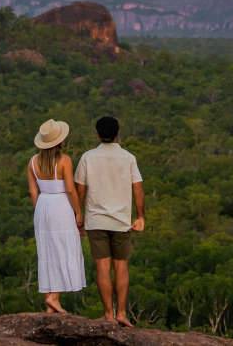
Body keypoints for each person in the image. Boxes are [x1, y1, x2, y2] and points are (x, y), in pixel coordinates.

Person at [75, 116, 145, 326]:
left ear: (97, 134)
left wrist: (78, 215)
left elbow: (80, 189)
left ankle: (108, 314)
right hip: (121, 221)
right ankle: (121, 313)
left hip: (96, 220)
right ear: (117, 133)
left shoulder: (88, 157)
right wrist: (140, 216)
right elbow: (137, 188)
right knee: (121, 266)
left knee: (102, 267)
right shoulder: (128, 158)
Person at [27, 119, 86, 313]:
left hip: (42, 205)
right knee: (63, 248)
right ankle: (54, 297)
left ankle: (50, 300)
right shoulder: (64, 160)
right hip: (61, 205)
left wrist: (40, 210)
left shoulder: (32, 162)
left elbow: (33, 192)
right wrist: (78, 212)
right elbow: (70, 189)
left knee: (46, 251)